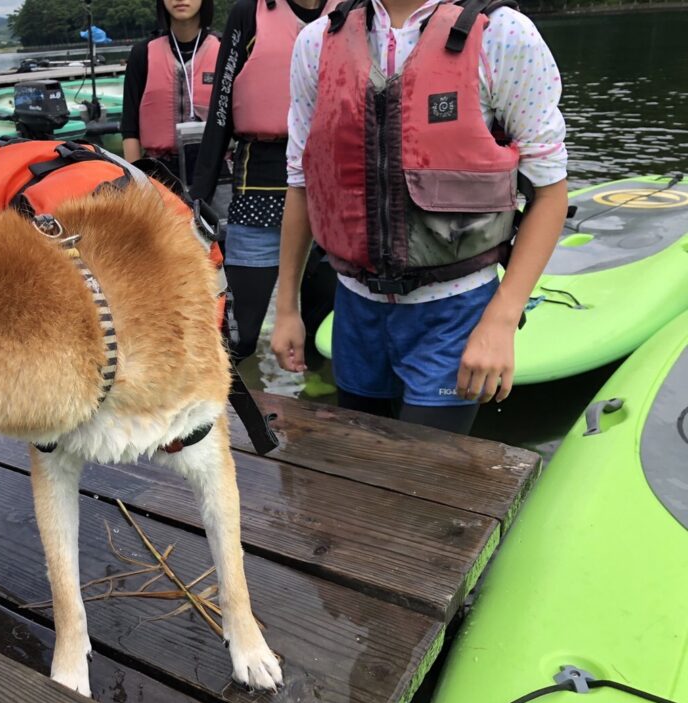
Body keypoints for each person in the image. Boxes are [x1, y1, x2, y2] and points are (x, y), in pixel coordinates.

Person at [271, 0, 569, 435]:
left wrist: (502, 319)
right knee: (363, 462)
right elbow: (302, 183)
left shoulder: (503, 35)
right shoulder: (316, 43)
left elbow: (550, 193)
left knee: (424, 474)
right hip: (355, 308)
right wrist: (286, 310)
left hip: (455, 309)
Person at [190, 0, 339, 363]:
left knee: (322, 330)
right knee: (239, 331)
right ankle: (221, 405)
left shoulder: (352, 11)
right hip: (260, 180)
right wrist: (196, 197)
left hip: (334, 185)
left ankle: (317, 407)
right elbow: (221, 109)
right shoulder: (248, 13)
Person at [122, 0, 220, 185]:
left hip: (215, 171)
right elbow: (129, 129)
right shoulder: (142, 53)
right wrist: (136, 185)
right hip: (158, 174)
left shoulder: (224, 50)